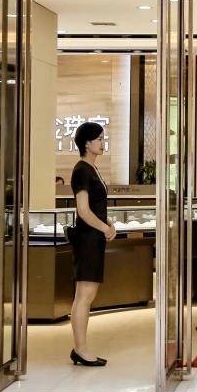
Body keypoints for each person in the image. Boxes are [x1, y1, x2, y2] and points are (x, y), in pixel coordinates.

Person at [68, 122, 116, 367]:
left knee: (87, 294)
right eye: (99, 139)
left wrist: (108, 222)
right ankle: (81, 349)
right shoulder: (82, 170)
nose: (102, 142)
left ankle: (81, 347)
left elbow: (95, 208)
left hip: (94, 238)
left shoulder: (92, 169)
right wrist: (104, 228)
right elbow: (83, 210)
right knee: (84, 296)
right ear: (86, 143)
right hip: (87, 239)